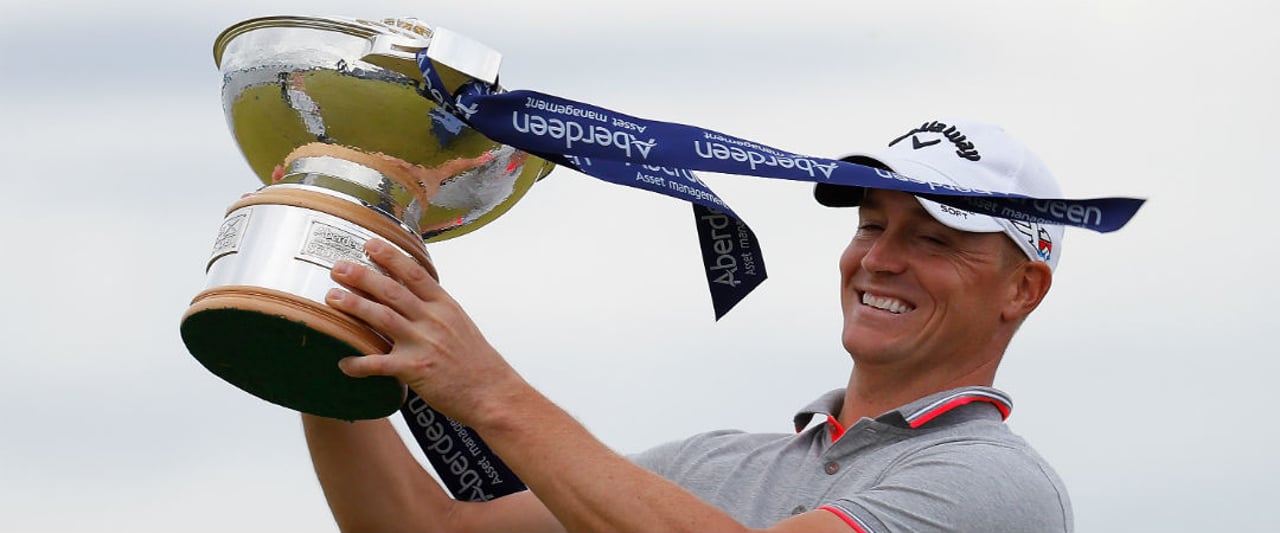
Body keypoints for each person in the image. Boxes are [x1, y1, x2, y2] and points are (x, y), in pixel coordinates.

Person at [303, 118, 1073, 532]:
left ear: (1022, 288)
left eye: (933, 239)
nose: (882, 258)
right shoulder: (713, 465)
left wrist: (490, 392)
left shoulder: (995, 484)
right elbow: (418, 527)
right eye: (872, 224)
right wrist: (311, 314)